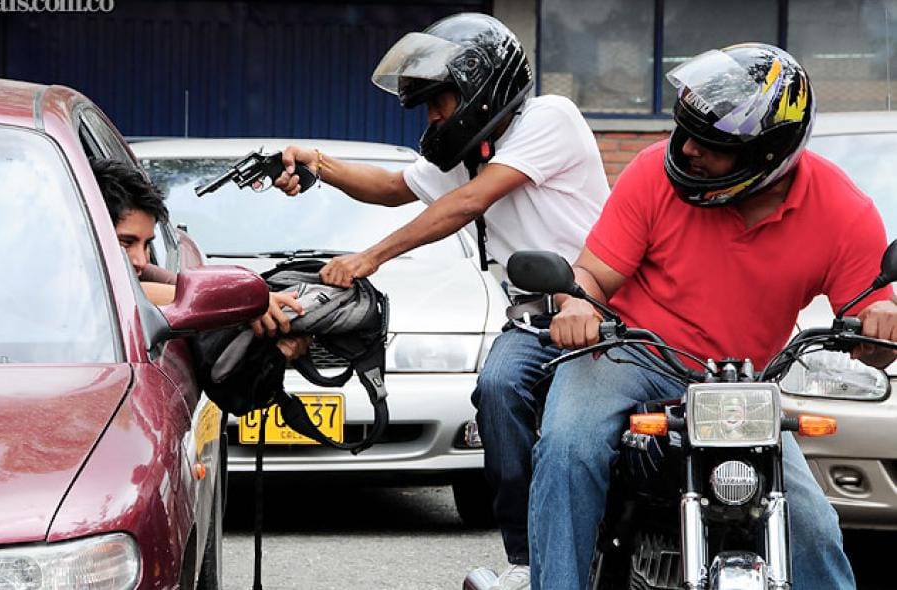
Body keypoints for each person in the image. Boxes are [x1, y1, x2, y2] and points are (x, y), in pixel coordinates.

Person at [529, 43, 897, 590]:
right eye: (689, 132)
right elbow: (592, 275)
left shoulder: (844, 212)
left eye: (714, 145)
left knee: (815, 526)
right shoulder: (654, 170)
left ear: (768, 156)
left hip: (741, 389)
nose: (690, 149)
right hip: (631, 354)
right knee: (567, 446)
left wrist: (882, 326)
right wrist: (577, 303)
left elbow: (872, 322)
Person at [273, 13, 609, 588]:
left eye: (440, 102)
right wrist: (319, 165)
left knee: (587, 435)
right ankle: (528, 563)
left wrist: (369, 258)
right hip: (530, 321)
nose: (433, 117)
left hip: (597, 308)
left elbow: (469, 203)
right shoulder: (473, 151)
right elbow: (391, 188)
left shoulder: (549, 119)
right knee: (498, 391)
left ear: (482, 88)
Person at [90, 158, 309, 359]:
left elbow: (182, 287)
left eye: (148, 244)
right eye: (125, 243)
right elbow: (115, 293)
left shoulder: (140, 270)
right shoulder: (67, 287)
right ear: (84, 234)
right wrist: (240, 301)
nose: (140, 260)